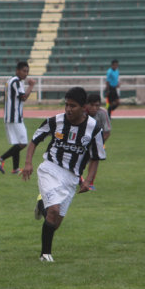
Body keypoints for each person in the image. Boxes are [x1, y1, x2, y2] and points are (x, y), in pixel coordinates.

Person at [22, 87, 106, 262]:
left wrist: (88, 181)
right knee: (53, 211)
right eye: (66, 105)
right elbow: (34, 140)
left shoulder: (94, 129)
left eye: (73, 106)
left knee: (55, 222)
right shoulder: (55, 121)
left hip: (72, 177)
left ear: (83, 107)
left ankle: (41, 204)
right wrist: (28, 163)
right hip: (50, 168)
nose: (68, 109)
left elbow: (96, 157)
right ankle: (45, 255)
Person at [0, 61, 36, 174]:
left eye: (27, 71)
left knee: (17, 142)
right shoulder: (16, 81)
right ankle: (1, 159)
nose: (26, 74)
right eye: (24, 71)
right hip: (14, 117)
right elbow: (23, 97)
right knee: (23, 143)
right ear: (17, 70)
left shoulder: (12, 81)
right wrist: (31, 86)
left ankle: (15, 168)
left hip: (12, 116)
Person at [84, 93, 111, 190]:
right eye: (91, 105)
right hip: (82, 141)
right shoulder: (81, 113)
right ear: (86, 104)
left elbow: (107, 131)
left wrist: (99, 144)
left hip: (97, 140)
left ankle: (90, 183)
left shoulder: (103, 113)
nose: (94, 108)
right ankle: (78, 180)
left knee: (95, 159)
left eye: (97, 105)